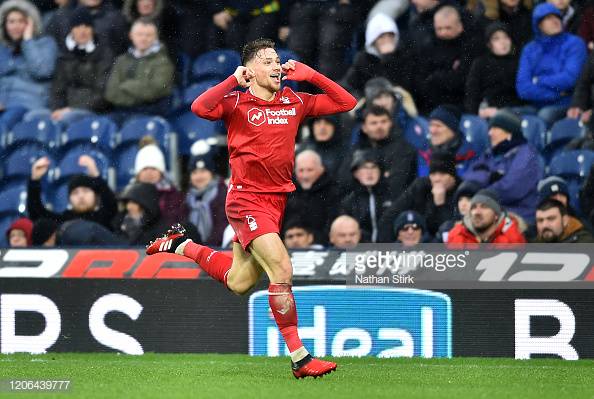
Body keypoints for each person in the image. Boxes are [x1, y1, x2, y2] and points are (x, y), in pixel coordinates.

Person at [146, 38, 356, 378]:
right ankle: (301, 360)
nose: (277, 66)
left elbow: (347, 102)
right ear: (251, 69)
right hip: (246, 200)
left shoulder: (294, 100)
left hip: (276, 201)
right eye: (269, 61)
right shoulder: (236, 102)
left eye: (279, 61)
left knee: (240, 281)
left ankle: (180, 244)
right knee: (282, 271)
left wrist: (311, 74)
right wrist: (232, 80)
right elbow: (199, 108)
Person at [464, 109, 542, 222]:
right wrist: (490, 177)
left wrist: (480, 194)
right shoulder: (491, 153)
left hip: (518, 215)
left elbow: (511, 189)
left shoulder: (527, 154)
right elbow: (469, 177)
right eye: (490, 129)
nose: (490, 133)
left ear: (509, 132)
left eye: (495, 129)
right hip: (491, 212)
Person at [516, 3, 587, 127]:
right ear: (539, 25)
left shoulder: (575, 43)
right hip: (536, 104)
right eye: (548, 18)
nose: (554, 21)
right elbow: (523, 88)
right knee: (504, 116)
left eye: (557, 17)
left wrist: (538, 80)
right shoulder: (529, 49)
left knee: (544, 115)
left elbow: (570, 78)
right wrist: (555, 94)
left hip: (566, 104)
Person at [45, 7, 112, 124]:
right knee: (35, 117)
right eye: (78, 26)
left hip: (92, 110)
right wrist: (57, 110)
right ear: (71, 29)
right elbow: (57, 89)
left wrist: (72, 109)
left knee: (65, 120)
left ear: (92, 29)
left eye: (86, 26)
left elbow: (102, 93)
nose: (82, 31)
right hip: (64, 110)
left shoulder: (104, 54)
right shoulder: (64, 55)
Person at [414, 5, 483, 114]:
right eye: (439, 29)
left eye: (448, 28)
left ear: (460, 26)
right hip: (432, 107)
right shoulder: (428, 48)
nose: (443, 33)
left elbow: (464, 80)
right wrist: (448, 75)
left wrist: (436, 77)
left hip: (462, 106)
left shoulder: (471, 47)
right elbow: (422, 83)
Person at [379, 151, 461, 241]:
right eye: (433, 174)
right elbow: (389, 217)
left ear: (453, 176)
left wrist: (440, 205)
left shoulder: (463, 192)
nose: (437, 179)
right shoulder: (420, 187)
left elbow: (448, 232)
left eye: (442, 174)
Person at [0, 0, 57, 127]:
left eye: (21, 21)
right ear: (5, 25)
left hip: (28, 104)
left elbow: (43, 71)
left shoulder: (45, 43)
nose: (16, 26)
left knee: (5, 122)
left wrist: (28, 40)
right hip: (4, 104)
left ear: (30, 23)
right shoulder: (2, 48)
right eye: (11, 22)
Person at [341, 105, 417, 198]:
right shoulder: (356, 150)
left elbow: (397, 184)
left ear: (391, 123)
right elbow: (344, 181)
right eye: (374, 123)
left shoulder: (404, 149)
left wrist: (364, 179)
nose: (379, 126)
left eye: (383, 121)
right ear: (364, 127)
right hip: (360, 205)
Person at [105, 18, 174, 118]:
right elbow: (111, 93)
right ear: (131, 36)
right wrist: (137, 92)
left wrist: (126, 85)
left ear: (155, 38)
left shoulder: (163, 62)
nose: (143, 38)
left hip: (149, 114)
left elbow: (155, 91)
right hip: (120, 112)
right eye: (139, 34)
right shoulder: (121, 60)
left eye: (148, 35)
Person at [27, 154, 117, 229]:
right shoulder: (62, 221)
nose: (81, 196)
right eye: (75, 193)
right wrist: (35, 180)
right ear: (69, 199)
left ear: (95, 195)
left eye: (85, 191)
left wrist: (96, 175)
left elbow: (111, 205)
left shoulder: (104, 217)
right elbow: (37, 214)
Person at [341, 13, 413, 99]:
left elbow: (406, 86)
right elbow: (348, 85)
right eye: (381, 36)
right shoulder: (363, 60)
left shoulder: (405, 56)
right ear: (373, 40)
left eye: (390, 35)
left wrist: (389, 58)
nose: (387, 40)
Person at [464, 22, 522, 117]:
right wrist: (477, 112)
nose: (502, 42)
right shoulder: (480, 63)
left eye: (506, 37)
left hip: (516, 110)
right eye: (496, 39)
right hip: (487, 110)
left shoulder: (518, 62)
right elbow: (472, 92)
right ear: (489, 44)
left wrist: (500, 110)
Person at [284, 149, 340, 245]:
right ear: (295, 171)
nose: (305, 175)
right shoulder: (287, 191)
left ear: (321, 169)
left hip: (323, 247)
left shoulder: (333, 192)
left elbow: (333, 224)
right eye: (301, 170)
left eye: (310, 170)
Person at [339, 150, 391, 243]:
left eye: (373, 167)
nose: (369, 172)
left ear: (380, 171)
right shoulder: (348, 202)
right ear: (355, 173)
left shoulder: (392, 196)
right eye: (364, 167)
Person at [45, 0, 128, 55]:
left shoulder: (116, 19)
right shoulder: (61, 16)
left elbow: (121, 53)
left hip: (103, 75)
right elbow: (48, 51)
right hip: (65, 76)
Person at [447, 189, 526, 243]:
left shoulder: (512, 238)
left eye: (484, 207)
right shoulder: (457, 236)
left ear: (496, 215)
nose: (476, 212)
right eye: (473, 207)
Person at [418, 104, 477, 176]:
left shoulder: (470, 154)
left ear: (453, 129)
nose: (433, 130)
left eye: (438, 126)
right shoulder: (423, 152)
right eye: (431, 125)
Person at [186, 146, 228, 247]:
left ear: (212, 173)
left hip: (216, 251)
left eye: (203, 171)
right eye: (195, 172)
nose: (199, 176)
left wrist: (205, 250)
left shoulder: (223, 194)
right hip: (190, 254)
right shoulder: (187, 198)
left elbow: (221, 229)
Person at [113, 181, 169, 246]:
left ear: (145, 205)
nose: (129, 206)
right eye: (127, 202)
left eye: (134, 203)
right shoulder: (118, 223)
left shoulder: (158, 227)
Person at [296, 115, 348, 181]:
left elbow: (344, 181)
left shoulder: (346, 151)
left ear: (335, 127)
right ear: (312, 126)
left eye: (328, 123)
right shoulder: (303, 149)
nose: (322, 127)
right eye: (318, 122)